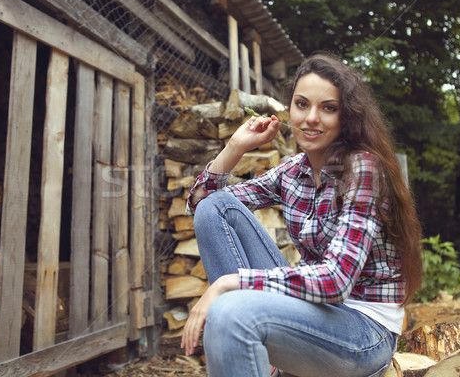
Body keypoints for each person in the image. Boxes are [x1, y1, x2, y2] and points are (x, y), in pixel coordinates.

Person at [180, 53, 423, 377]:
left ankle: (249, 334)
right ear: (290, 109)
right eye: (302, 104)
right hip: (310, 311)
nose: (311, 118)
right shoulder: (293, 172)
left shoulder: (364, 169)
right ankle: (259, 352)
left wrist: (230, 283)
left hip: (363, 331)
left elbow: (336, 281)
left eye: (328, 108)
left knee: (230, 309)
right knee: (215, 208)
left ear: (346, 116)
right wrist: (236, 146)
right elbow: (202, 204)